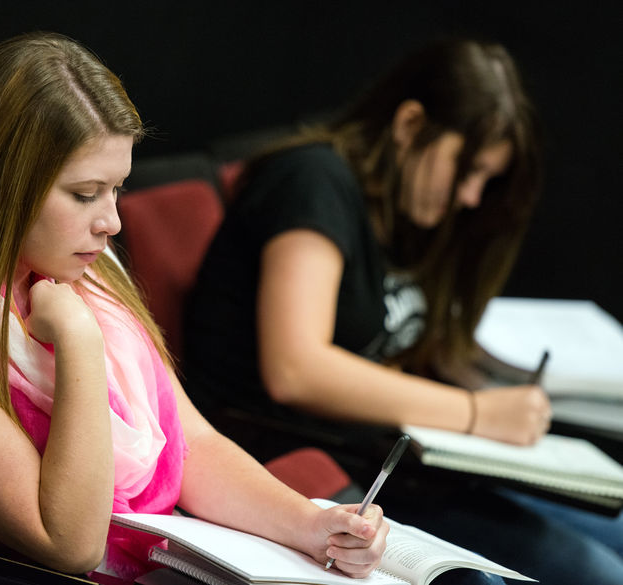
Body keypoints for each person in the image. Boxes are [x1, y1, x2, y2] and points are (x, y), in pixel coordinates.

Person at [0, 33, 390, 582]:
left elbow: (191, 444)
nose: (112, 222)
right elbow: (70, 545)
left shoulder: (86, 266)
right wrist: (79, 343)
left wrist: (312, 525)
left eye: (116, 189)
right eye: (85, 193)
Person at [183, 39, 623, 584]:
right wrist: (477, 413)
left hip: (390, 459)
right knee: (597, 572)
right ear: (411, 124)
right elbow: (296, 368)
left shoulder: (410, 215)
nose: (470, 196)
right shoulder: (312, 181)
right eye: (468, 171)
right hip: (301, 466)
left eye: (485, 180)